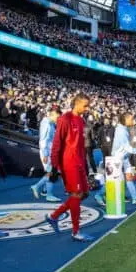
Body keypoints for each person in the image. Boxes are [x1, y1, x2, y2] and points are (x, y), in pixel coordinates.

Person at [44, 93, 95, 242]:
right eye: (85, 105)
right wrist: (54, 167)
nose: (87, 108)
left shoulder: (80, 120)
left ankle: (53, 216)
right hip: (69, 163)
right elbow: (57, 144)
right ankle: (76, 231)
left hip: (79, 162)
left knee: (84, 194)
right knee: (76, 195)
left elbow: (80, 146)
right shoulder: (64, 119)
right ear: (77, 103)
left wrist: (84, 165)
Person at [94, 113, 136, 206]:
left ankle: (134, 198)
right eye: (131, 119)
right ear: (126, 120)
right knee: (114, 180)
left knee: (129, 177)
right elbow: (127, 147)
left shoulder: (124, 129)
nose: (133, 121)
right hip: (117, 158)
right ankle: (99, 195)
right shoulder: (121, 131)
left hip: (124, 157)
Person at [30, 107, 62, 202]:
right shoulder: (47, 124)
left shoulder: (51, 124)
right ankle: (38, 187)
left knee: (51, 172)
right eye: (58, 117)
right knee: (51, 172)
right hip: (47, 152)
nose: (58, 119)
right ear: (52, 114)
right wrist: (45, 154)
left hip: (50, 151)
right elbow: (43, 140)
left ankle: (47, 192)